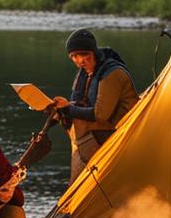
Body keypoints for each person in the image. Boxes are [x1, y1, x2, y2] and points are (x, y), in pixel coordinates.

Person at [50, 29, 139, 183]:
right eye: (74, 56)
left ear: (93, 52)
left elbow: (101, 115)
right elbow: (78, 102)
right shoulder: (84, 72)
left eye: (84, 55)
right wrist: (61, 108)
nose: (80, 61)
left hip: (119, 134)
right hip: (95, 135)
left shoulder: (112, 73)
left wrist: (68, 109)